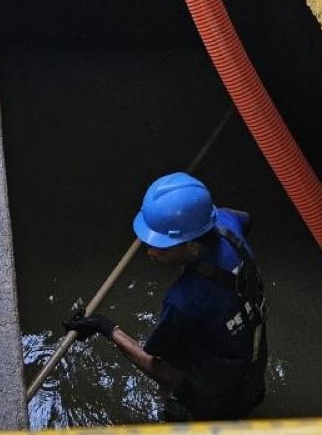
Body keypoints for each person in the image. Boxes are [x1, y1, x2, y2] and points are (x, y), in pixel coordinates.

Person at [65, 172, 268, 421]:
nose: (149, 252)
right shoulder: (229, 226)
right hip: (253, 372)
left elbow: (159, 367)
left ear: (192, 245)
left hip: (215, 402)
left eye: (160, 246)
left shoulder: (185, 301)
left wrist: (104, 327)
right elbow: (246, 219)